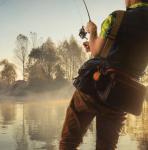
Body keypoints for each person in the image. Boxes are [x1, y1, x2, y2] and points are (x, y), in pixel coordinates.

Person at [59, 0, 148, 149]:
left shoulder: (117, 17)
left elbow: (96, 52)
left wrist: (92, 32)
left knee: (69, 141)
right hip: (121, 95)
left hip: (93, 86)